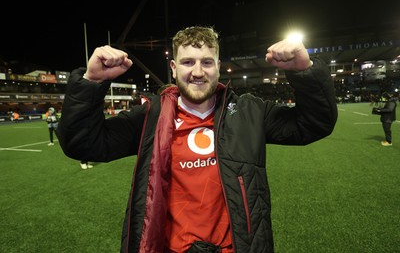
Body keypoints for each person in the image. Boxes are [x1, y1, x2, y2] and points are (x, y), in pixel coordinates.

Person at [56, 26, 338, 252]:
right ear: (174, 67)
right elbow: (83, 143)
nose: (198, 72)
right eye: (188, 62)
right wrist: (91, 83)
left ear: (218, 65)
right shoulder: (149, 118)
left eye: (207, 62)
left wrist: (305, 71)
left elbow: (313, 124)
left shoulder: (250, 112)